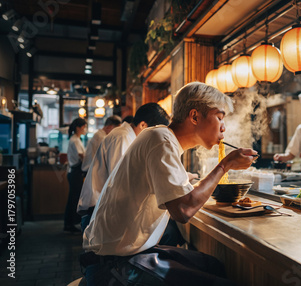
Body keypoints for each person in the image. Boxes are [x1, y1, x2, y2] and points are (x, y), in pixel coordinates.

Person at [81, 82, 256, 285]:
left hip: (131, 252)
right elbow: (183, 210)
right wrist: (224, 165)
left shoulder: (161, 138)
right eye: (219, 117)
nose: (224, 127)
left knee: (213, 266)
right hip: (113, 266)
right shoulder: (161, 139)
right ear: (195, 116)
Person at [77, 103, 170, 232]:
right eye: (155, 133)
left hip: (104, 208)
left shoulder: (128, 136)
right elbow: (121, 181)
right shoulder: (122, 138)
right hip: (97, 211)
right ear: (143, 125)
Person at [64, 117, 87, 233]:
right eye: (84, 127)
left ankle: (69, 224)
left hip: (75, 172)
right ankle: (69, 225)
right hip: (75, 172)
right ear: (78, 128)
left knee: (73, 198)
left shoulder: (76, 139)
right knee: (73, 199)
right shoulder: (75, 140)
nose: (85, 129)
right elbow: (82, 156)